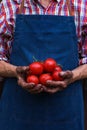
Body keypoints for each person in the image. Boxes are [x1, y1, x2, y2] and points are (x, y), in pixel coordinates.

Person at [0, 0, 87, 130]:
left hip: (67, 110)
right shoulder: (9, 5)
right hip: (18, 110)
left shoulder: (82, 6)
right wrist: (15, 71)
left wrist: (73, 76)